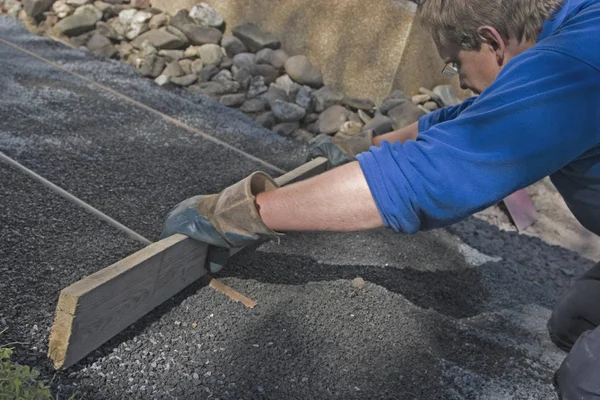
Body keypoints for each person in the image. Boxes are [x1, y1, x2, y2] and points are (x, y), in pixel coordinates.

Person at [161, 0, 600, 397]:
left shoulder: (576, 62)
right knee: (573, 321)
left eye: (455, 65)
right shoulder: (576, 26)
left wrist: (240, 213)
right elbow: (477, 118)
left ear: (491, 40)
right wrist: (369, 146)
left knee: (582, 381)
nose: (461, 82)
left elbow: (435, 176)